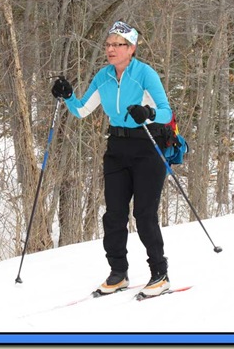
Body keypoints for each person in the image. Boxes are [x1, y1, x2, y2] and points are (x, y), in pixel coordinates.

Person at [51, 20, 187, 297]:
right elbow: (81, 110)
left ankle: (159, 274)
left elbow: (165, 111)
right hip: (116, 147)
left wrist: (148, 114)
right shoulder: (103, 76)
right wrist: (67, 96)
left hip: (148, 146)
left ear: (131, 48)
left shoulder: (145, 73)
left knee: (144, 214)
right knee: (114, 215)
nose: (111, 49)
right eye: (109, 44)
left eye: (118, 44)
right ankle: (118, 273)